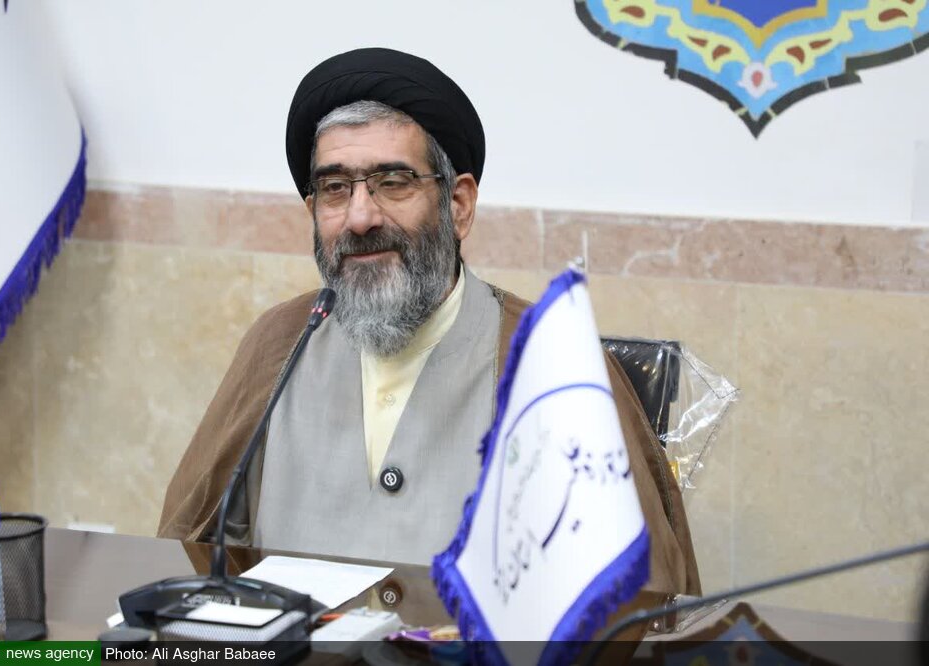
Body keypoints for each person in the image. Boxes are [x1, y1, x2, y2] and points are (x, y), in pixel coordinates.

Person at [158, 47, 700, 596]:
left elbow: (635, 610)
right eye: (335, 189)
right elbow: (189, 559)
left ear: (459, 205)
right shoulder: (279, 345)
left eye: (394, 182)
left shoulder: (552, 364)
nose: (361, 217)